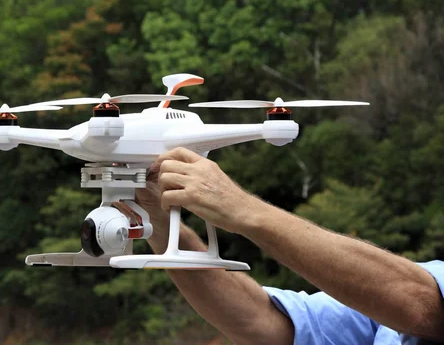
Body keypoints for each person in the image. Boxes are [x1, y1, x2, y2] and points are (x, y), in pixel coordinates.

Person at [135, 147, 444, 345]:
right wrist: (163, 230)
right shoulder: (395, 301)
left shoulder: (420, 289)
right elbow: (262, 322)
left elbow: (420, 306)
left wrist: (243, 209)